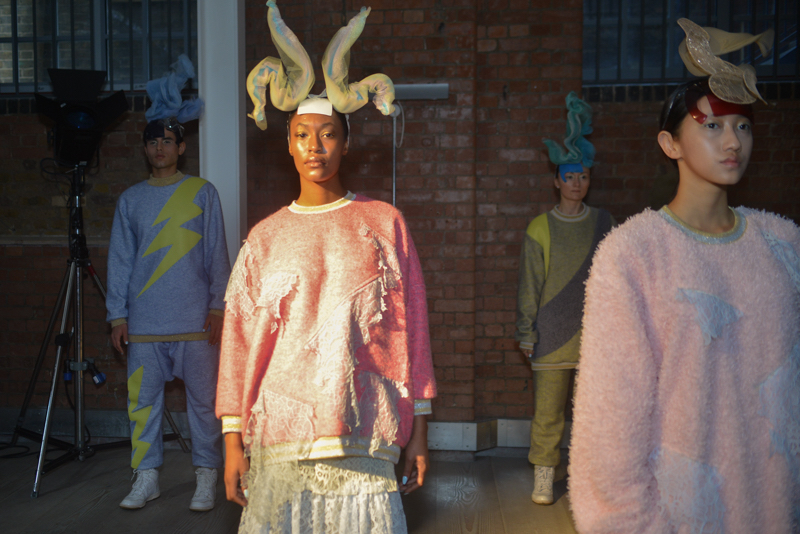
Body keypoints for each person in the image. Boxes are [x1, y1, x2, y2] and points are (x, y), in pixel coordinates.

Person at [569, 19, 798, 533]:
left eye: (743, 126)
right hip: (678, 515)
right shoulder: (633, 255)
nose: (733, 141)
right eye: (712, 126)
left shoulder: (783, 246)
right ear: (670, 144)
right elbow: (609, 424)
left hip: (773, 508)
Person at [216, 3, 437, 533]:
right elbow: (239, 344)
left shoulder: (384, 222)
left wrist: (420, 431)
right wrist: (231, 442)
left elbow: (413, 329)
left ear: (347, 141)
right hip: (281, 439)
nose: (315, 146)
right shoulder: (264, 237)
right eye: (302, 134)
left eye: (328, 133)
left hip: (367, 434)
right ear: (288, 144)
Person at [106, 57, 231, 512]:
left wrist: (218, 307)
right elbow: (120, 260)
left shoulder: (202, 192)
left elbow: (217, 254)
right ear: (145, 149)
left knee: (204, 404)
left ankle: (206, 475)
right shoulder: (130, 200)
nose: (159, 147)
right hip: (144, 325)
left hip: (196, 322)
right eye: (152, 141)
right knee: (142, 406)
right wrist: (117, 316)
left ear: (182, 147)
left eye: (168, 140)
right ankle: (146, 477)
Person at [515, 92, 614, 505]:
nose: (577, 183)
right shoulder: (539, 227)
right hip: (551, 335)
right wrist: (526, 331)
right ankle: (544, 475)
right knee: (549, 413)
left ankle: (587, 479)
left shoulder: (606, 223)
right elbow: (529, 284)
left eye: (583, 176)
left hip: (594, 337)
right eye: (570, 176)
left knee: (592, 415)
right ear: (556, 180)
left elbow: (615, 282)